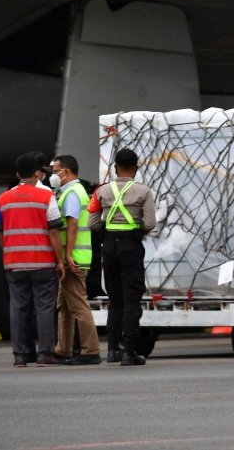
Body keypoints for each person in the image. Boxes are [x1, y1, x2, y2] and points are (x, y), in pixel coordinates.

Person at [0, 153, 65, 367]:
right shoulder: (46, 197)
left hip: (14, 263)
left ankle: (20, 356)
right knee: (44, 308)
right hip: (42, 262)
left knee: (18, 307)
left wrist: (8, 251)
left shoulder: (3, 199)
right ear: (37, 173)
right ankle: (45, 355)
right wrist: (60, 261)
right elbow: (54, 231)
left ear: (17, 174)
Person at [88, 148, 156, 366]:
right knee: (131, 300)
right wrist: (135, 231)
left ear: (115, 168)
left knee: (115, 300)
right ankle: (130, 352)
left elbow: (92, 223)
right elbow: (150, 223)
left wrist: (109, 231)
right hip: (130, 248)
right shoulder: (143, 191)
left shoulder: (102, 191)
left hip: (108, 248)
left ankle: (111, 350)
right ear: (136, 168)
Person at [51, 154, 102, 365]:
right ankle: (63, 349)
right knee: (64, 307)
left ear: (67, 172)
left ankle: (91, 351)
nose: (53, 176)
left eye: (55, 172)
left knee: (79, 306)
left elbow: (72, 225)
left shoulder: (72, 193)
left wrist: (68, 256)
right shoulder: (71, 191)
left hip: (74, 259)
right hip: (71, 258)